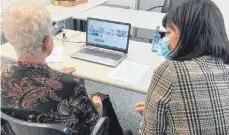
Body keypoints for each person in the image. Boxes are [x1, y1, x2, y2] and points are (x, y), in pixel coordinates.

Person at [1, 3, 125, 135]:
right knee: (103, 99)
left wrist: (55, 77)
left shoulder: (3, 73)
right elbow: (92, 122)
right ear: (47, 42)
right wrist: (97, 100)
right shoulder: (70, 85)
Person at [136, 0, 229, 134]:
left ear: (189, 35)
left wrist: (148, 118)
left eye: (168, 33)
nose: (166, 40)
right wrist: (156, 113)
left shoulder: (171, 71)